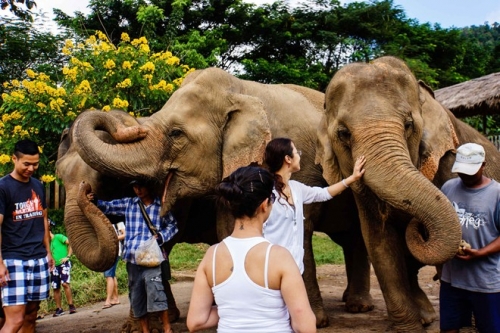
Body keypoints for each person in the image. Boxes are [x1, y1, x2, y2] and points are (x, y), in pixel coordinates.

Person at [186, 166, 316, 333]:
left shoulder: (212, 255)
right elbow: (305, 325)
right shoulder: (279, 257)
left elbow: (196, 321)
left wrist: (231, 308)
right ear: (264, 205)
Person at [263, 137, 365, 273]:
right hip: (270, 267)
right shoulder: (266, 192)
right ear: (288, 159)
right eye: (296, 152)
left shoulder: (296, 188)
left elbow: (323, 194)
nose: (299, 156)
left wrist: (352, 178)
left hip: (294, 267)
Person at [88, 180, 177, 333]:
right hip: (133, 260)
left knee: (157, 293)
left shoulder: (161, 207)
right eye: (135, 187)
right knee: (137, 297)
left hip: (152, 261)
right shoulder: (130, 204)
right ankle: (144, 330)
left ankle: (167, 329)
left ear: (149, 186)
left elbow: (173, 225)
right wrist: (95, 200)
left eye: (141, 186)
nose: (138, 190)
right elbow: (108, 206)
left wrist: (161, 237)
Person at [439, 143, 500, 333]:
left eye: (470, 171)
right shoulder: (448, 187)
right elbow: (439, 224)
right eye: (461, 171)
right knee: (449, 327)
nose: (465, 175)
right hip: (452, 278)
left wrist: (480, 253)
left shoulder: (497, 194)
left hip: (486, 281)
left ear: (483, 164)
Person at [0, 139, 55, 333]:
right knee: (14, 320)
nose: (31, 168)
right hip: (14, 259)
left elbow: (43, 219)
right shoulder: (3, 187)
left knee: (31, 316)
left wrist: (48, 252)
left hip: (38, 258)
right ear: (14, 159)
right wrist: (0, 263)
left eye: (35, 164)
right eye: (26, 164)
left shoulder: (38, 186)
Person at [49, 221, 76, 316]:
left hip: (64, 263)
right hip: (54, 266)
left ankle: (71, 305)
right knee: (55, 287)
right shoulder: (46, 244)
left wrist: (68, 256)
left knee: (65, 283)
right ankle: (59, 308)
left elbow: (71, 243)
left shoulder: (58, 237)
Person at [102, 221, 125, 309]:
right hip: (107, 252)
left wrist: (112, 239)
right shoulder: (104, 221)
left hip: (114, 251)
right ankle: (115, 298)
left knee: (108, 275)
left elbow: (124, 234)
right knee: (112, 274)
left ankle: (108, 300)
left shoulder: (117, 221)